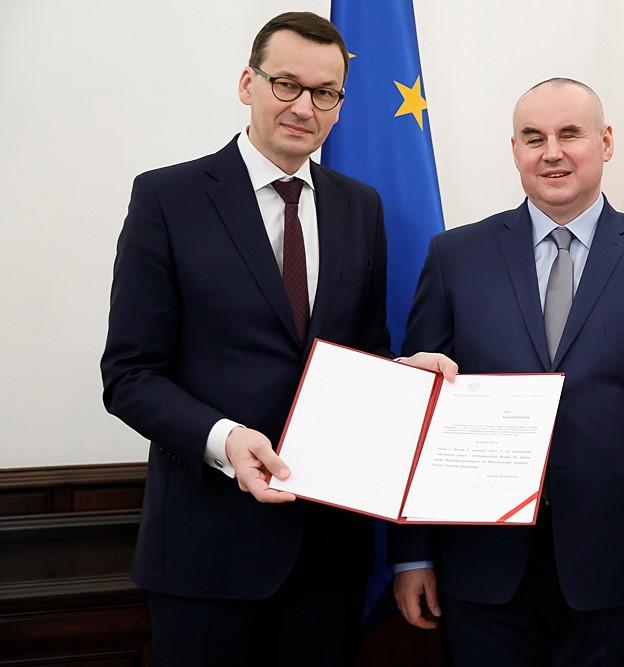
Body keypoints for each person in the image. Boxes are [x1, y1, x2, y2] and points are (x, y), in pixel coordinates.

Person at [100, 12, 454, 666]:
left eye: (325, 92)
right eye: (286, 84)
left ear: (341, 105)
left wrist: (407, 374)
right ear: (247, 83)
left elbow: (358, 358)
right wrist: (224, 441)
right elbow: (129, 375)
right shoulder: (167, 198)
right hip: (206, 554)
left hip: (328, 557)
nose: (304, 106)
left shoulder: (360, 206)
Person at [390, 78, 624, 666]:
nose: (552, 152)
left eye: (570, 134)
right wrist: (413, 555)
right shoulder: (454, 258)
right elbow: (422, 412)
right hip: (480, 565)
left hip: (616, 564)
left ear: (606, 141)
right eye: (533, 138)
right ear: (514, 149)